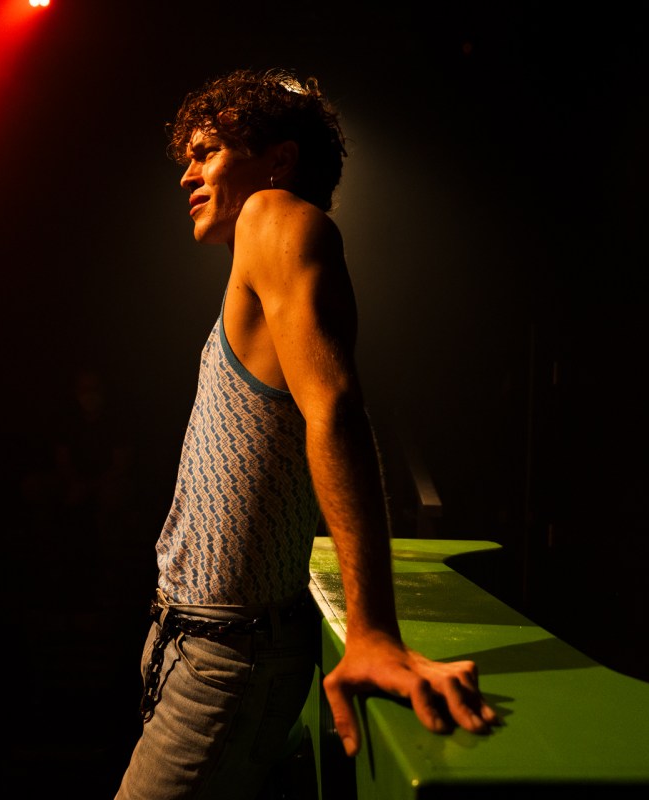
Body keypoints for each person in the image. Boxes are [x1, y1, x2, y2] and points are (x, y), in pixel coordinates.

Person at [114, 68, 499, 800]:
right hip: (199, 648)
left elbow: (337, 410)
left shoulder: (275, 217)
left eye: (207, 151)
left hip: (225, 661)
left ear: (277, 160)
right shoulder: (264, 250)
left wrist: (372, 630)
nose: (188, 173)